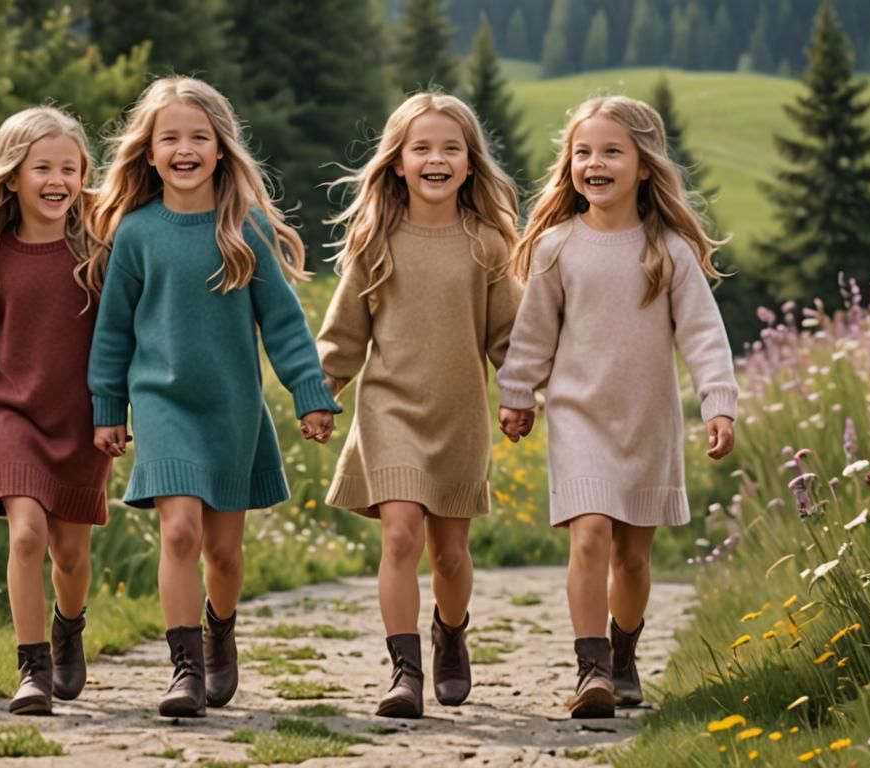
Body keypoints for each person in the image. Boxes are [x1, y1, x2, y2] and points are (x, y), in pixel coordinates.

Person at [86, 76, 341, 718]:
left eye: (199, 137)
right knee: (179, 535)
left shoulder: (243, 229)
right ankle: (184, 671)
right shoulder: (137, 233)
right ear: (149, 153)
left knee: (224, 552)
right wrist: (107, 408)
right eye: (169, 137)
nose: (184, 149)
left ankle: (218, 633)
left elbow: (283, 323)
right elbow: (113, 329)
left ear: (221, 150)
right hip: (163, 405)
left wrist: (310, 394)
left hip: (233, 412)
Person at [496, 95, 737, 718]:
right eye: (582, 152)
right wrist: (517, 395)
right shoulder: (555, 247)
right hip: (578, 415)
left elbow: (704, 335)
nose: (593, 163)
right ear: (568, 164)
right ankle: (592, 669)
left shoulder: (668, 251)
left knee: (632, 555)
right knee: (591, 536)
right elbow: (532, 334)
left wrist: (719, 404)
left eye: (610, 151)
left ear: (643, 165)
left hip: (648, 421)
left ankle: (624, 658)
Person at [316, 92, 523, 719]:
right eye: (422, 148)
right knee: (401, 536)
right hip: (390, 412)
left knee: (450, 554)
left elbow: (506, 337)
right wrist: (320, 392)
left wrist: (518, 392)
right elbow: (344, 333)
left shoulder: (487, 243)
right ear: (399, 162)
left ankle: (450, 633)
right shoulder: (374, 238)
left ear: (469, 163)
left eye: (450, 148)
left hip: (460, 417)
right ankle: (404, 672)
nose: (436, 158)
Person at [0, 106, 111, 715]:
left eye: (70, 167)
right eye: (43, 168)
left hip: (81, 422)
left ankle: (69, 623)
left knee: (71, 555)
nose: (58, 179)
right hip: (10, 415)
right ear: (13, 178)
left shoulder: (99, 254)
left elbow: (123, 337)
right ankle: (32, 668)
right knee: (28, 534)